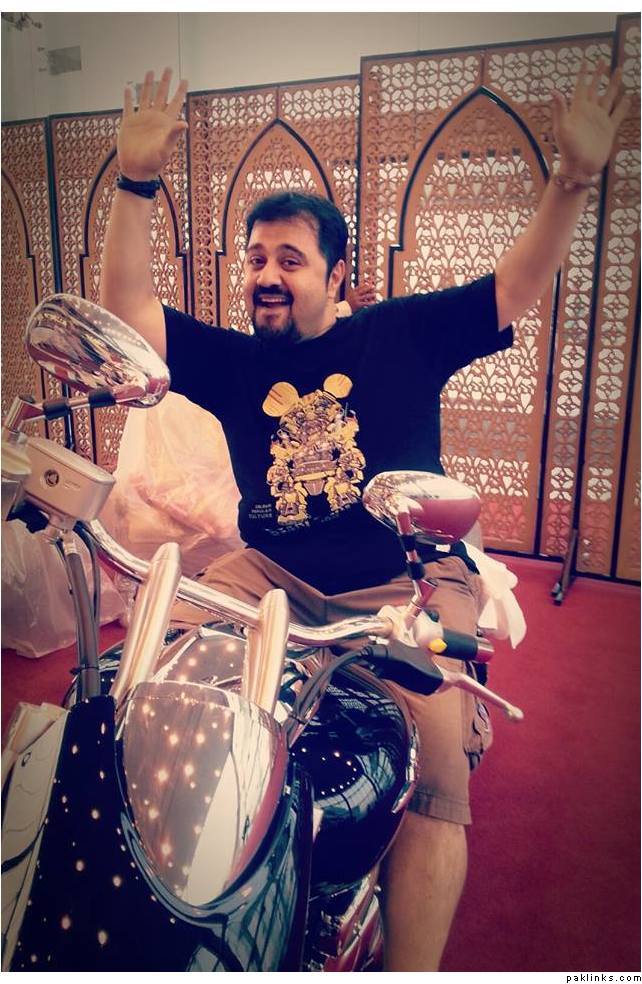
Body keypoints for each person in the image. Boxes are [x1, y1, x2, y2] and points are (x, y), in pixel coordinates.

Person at [99, 64, 628, 971]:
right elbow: (129, 314)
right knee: (141, 682)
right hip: (268, 574)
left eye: (290, 260)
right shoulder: (235, 362)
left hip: (403, 577)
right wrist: (135, 182)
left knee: (433, 778)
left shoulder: (399, 334)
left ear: (337, 273)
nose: (267, 276)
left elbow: (513, 286)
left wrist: (573, 179)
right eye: (255, 259)